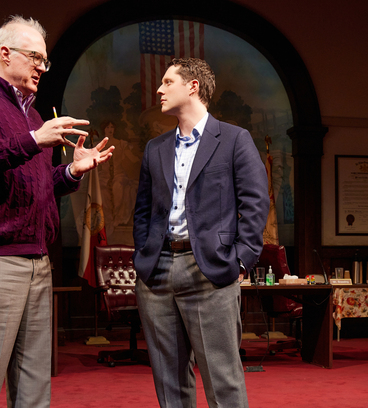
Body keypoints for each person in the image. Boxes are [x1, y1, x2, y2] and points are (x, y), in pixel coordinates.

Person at [0, 15, 113, 408]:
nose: (41, 66)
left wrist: (70, 171)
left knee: (35, 385)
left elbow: (32, 188)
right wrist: (34, 141)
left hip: (37, 263)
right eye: (35, 56)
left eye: (45, 60)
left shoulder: (34, 117)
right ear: (5, 54)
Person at [133, 58, 269, 408]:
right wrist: (144, 256)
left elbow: (255, 204)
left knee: (223, 381)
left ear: (192, 86)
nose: (159, 89)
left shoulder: (235, 140)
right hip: (157, 272)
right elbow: (143, 212)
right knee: (169, 382)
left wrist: (240, 260)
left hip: (209, 270)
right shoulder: (155, 148)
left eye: (167, 82)